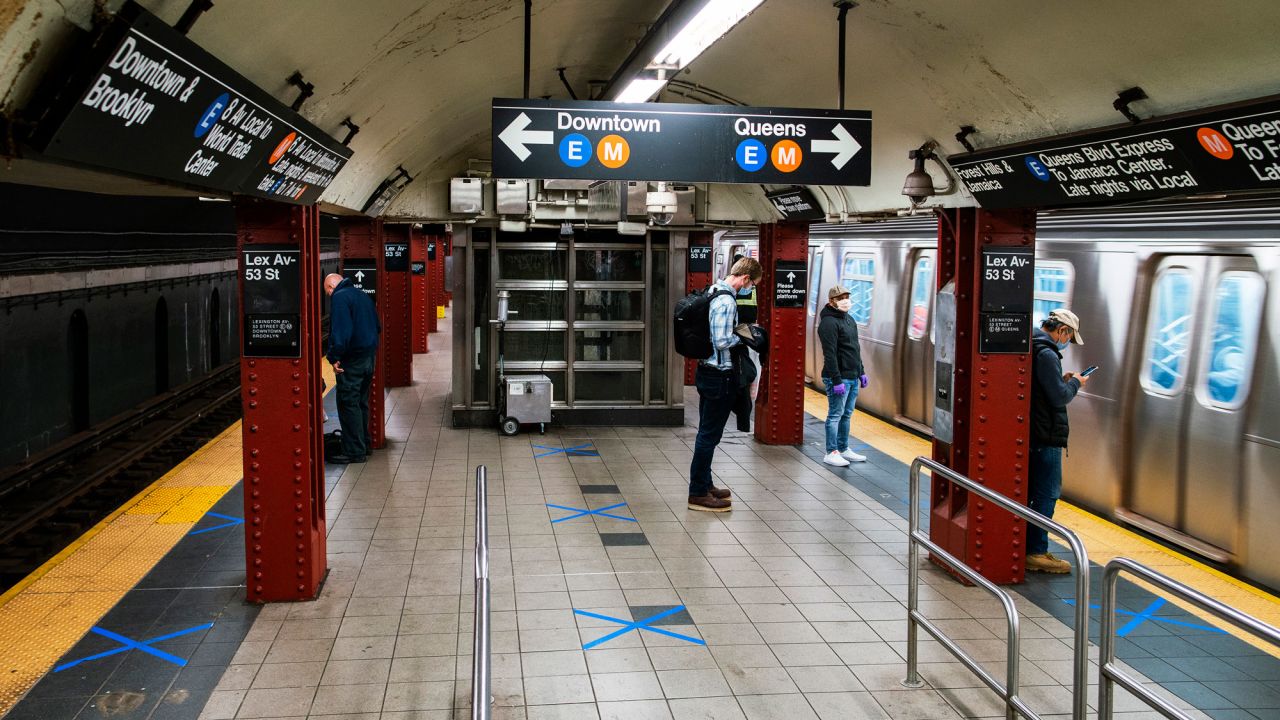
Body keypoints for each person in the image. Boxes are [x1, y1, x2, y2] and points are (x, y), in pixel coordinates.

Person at [688, 256, 762, 512]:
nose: (750, 288)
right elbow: (720, 341)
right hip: (718, 375)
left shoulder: (712, 291)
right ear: (745, 278)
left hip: (707, 372)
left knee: (707, 433)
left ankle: (705, 483)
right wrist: (743, 339)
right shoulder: (727, 300)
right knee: (709, 435)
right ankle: (697, 492)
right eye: (751, 284)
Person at [1027, 308, 1088, 574]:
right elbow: (1059, 397)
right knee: (1047, 493)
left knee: (1037, 492)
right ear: (1062, 330)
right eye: (1069, 337)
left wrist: (1062, 381)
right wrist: (1075, 383)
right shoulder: (1048, 353)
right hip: (1046, 434)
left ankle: (1031, 546)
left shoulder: (1036, 348)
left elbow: (1047, 388)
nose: (1068, 342)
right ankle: (1036, 551)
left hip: (1038, 431)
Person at [324, 273, 381, 463]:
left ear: (331, 287)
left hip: (352, 360)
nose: (329, 295)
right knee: (360, 403)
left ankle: (354, 451)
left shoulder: (340, 298)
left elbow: (341, 332)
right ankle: (364, 444)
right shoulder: (362, 295)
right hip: (368, 358)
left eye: (327, 292)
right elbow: (377, 326)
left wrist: (334, 357)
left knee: (348, 404)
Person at [817, 286, 868, 467]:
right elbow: (829, 354)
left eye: (847, 297)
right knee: (835, 415)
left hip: (852, 376)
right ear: (832, 301)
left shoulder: (849, 320)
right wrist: (836, 379)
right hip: (838, 378)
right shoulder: (828, 323)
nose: (845, 300)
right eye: (841, 298)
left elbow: (855, 348)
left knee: (847, 414)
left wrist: (861, 372)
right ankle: (831, 452)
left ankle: (844, 448)